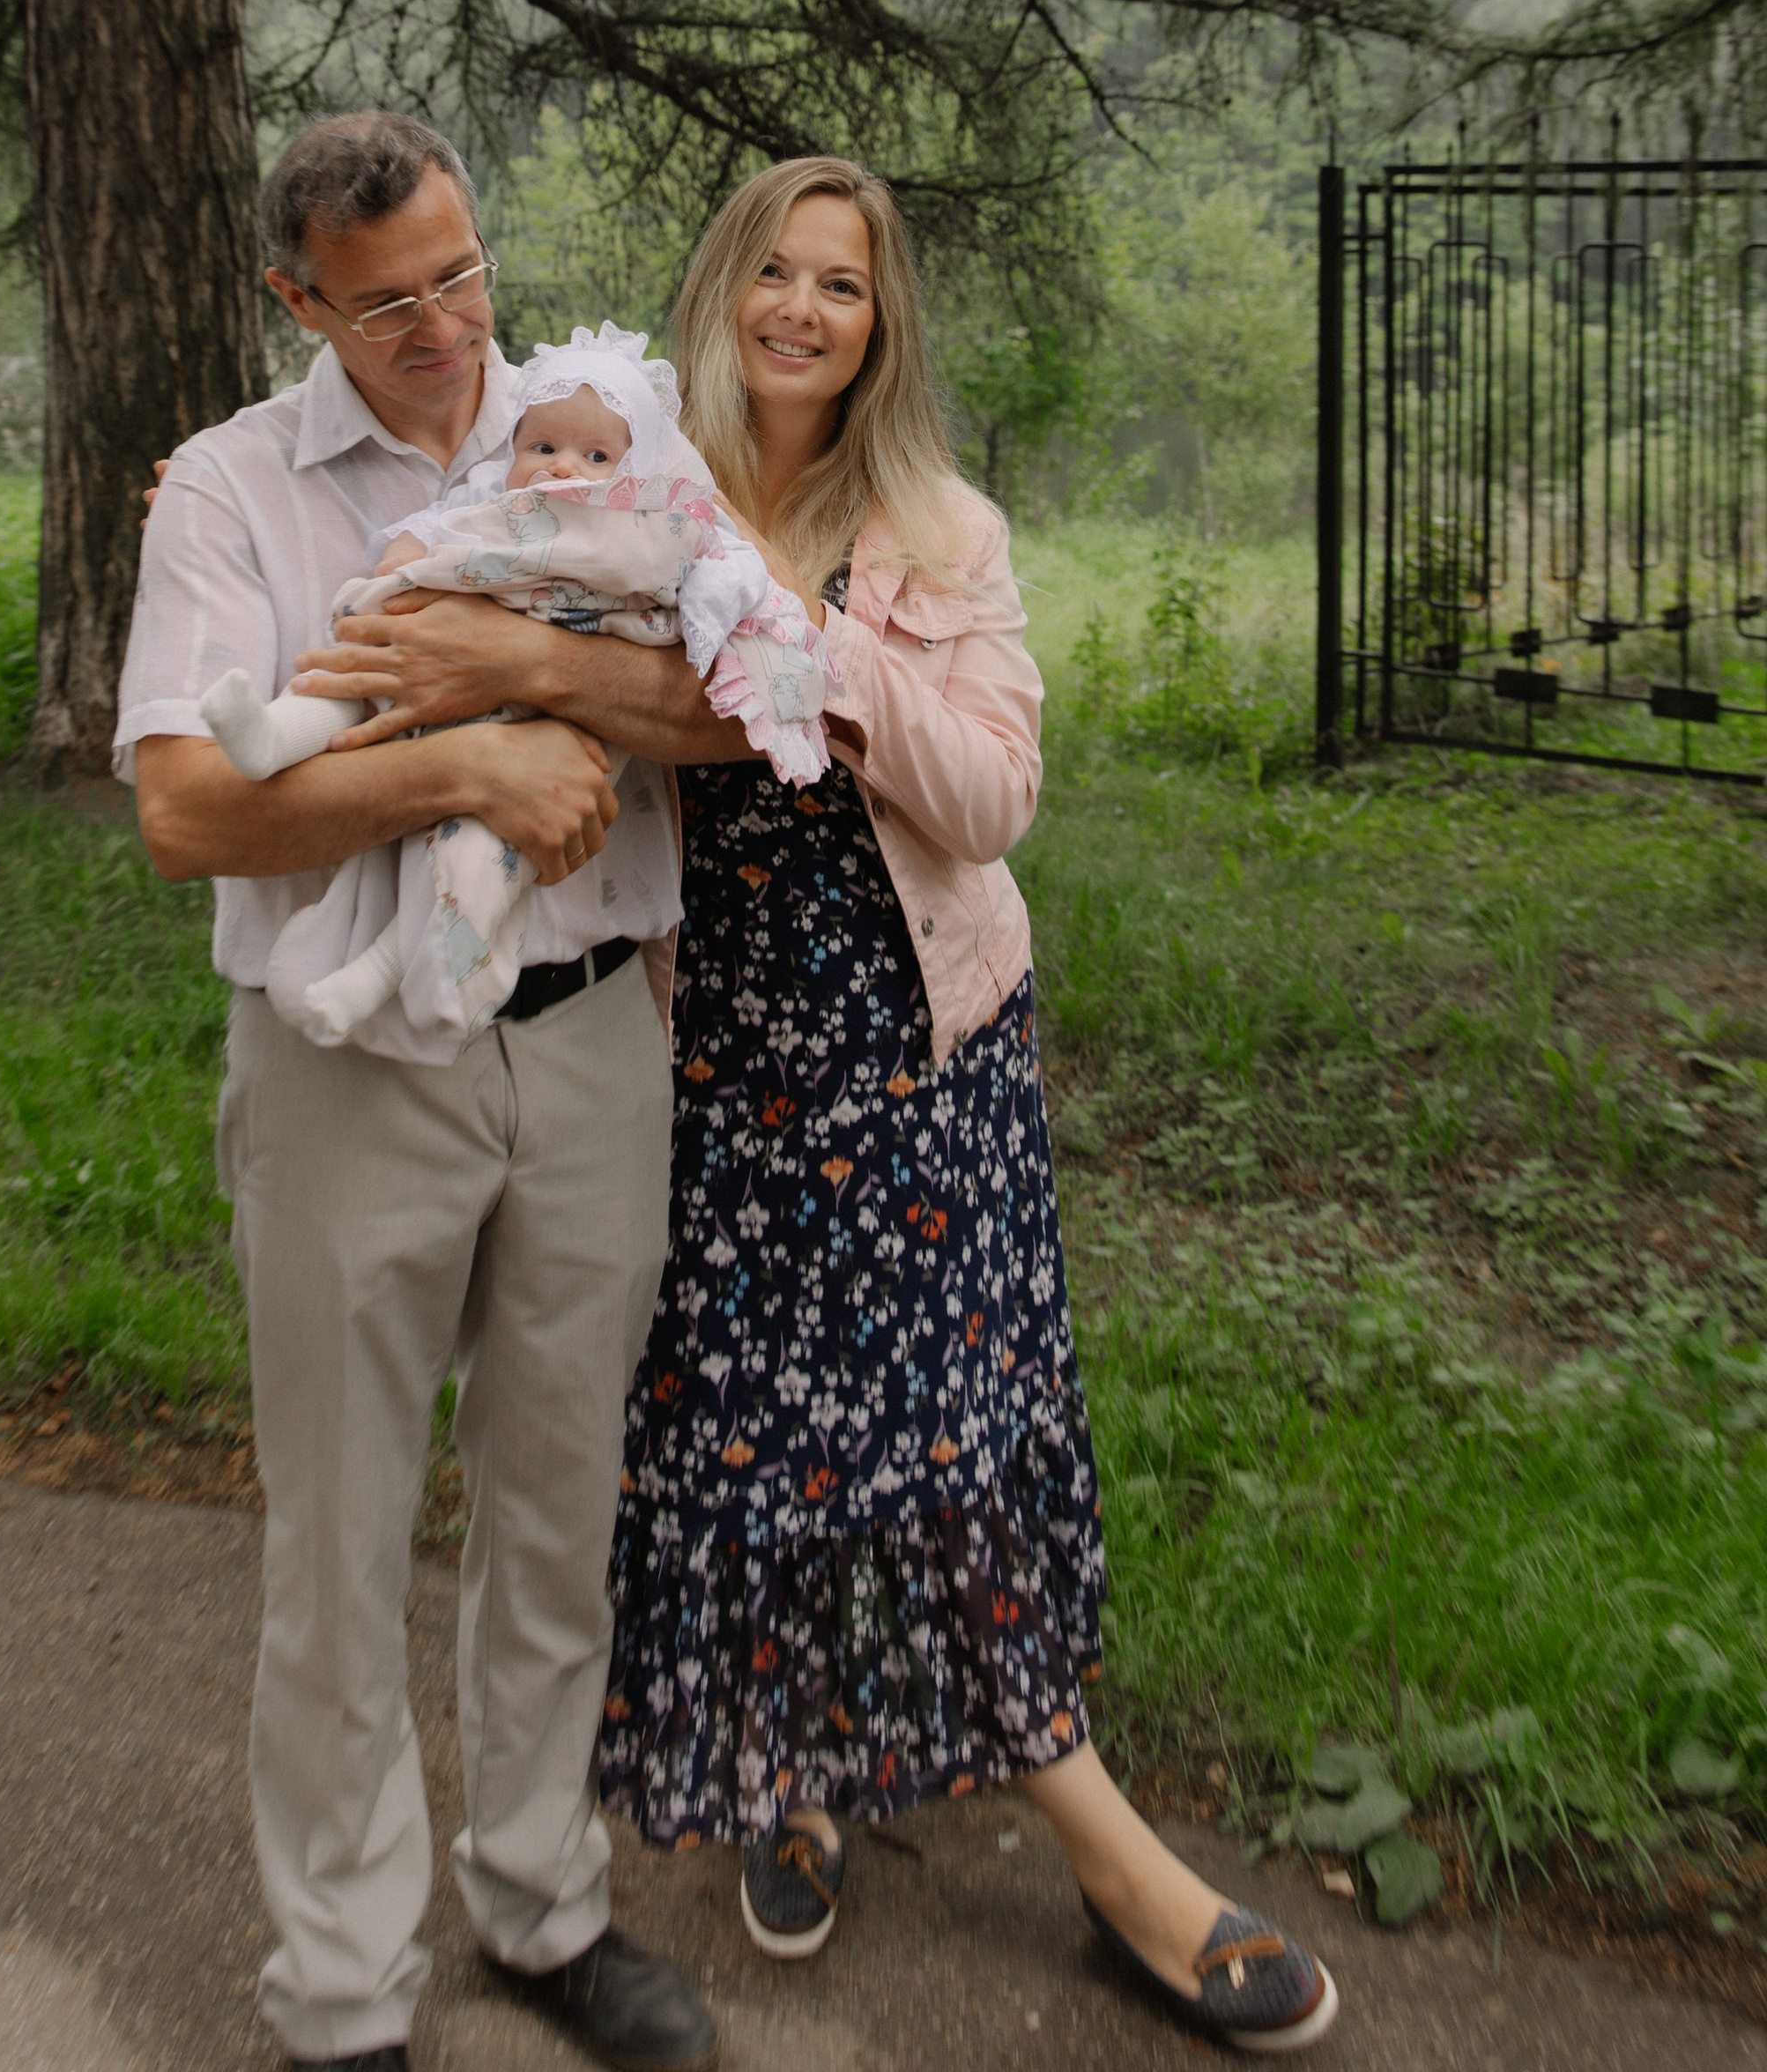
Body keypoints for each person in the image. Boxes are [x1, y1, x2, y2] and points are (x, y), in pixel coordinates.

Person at [307, 154, 1340, 2057]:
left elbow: (993, 798)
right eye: (771, 272)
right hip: (697, 1062)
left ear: (879, 324)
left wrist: (814, 642)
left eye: (839, 286)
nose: (799, 307)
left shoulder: (939, 529)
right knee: (736, 1445)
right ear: (720, 291)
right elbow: (438, 496)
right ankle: (791, 1768)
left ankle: (1100, 1842)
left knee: (936, 1446)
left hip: (909, 1066)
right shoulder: (631, 476)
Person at [118, 114, 720, 2072]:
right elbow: (187, 805)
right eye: (390, 306)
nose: (447, 328)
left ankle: (543, 1905)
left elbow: (726, 695)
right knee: (342, 1543)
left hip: (585, 1048)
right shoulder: (224, 490)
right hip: (342, 1075)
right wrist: (465, 765)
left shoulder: (597, 419)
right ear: (298, 299)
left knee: (559, 1517)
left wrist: (490, 660)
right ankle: (343, 1993)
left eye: (462, 275)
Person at [194, 323, 830, 1057]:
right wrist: (401, 565)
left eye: (597, 456)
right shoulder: (492, 496)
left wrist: (709, 623)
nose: (564, 468)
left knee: (474, 861)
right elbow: (429, 531)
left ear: (636, 466)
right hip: (431, 655)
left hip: (551, 725)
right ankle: (272, 735)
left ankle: (382, 971)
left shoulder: (660, 519)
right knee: (360, 672)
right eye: (544, 448)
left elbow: (737, 583)